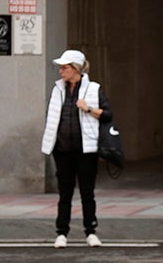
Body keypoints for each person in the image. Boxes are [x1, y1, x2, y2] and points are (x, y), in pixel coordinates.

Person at [41, 49, 113, 248]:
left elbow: (108, 114)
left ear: (76, 69)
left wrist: (88, 108)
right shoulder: (57, 90)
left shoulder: (94, 89)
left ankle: (91, 231)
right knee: (64, 193)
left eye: (64, 67)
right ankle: (61, 233)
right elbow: (52, 117)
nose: (61, 71)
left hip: (86, 150)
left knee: (87, 193)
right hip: (62, 150)